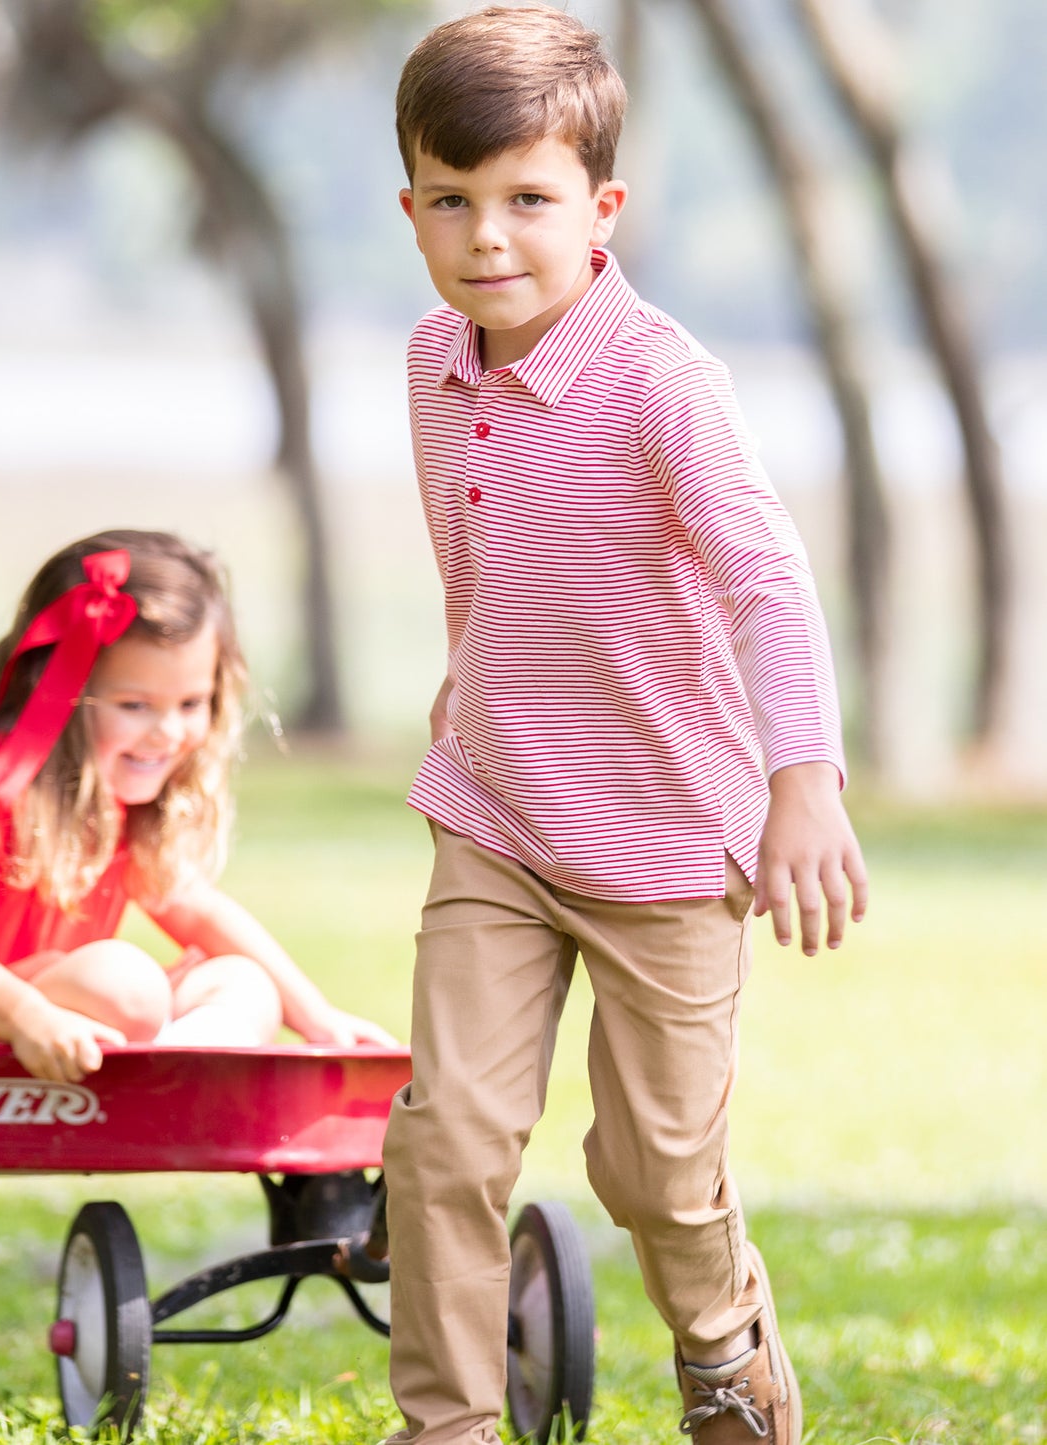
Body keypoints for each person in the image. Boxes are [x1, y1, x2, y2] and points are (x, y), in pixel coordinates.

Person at [380, 9, 868, 1445]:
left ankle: (726, 1352)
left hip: (665, 840)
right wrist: (474, 677)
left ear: (601, 208)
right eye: (453, 203)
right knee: (445, 1138)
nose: (488, 238)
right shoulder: (428, 358)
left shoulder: (662, 382)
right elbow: (485, 550)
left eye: (528, 200)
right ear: (409, 206)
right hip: (495, 811)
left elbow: (767, 580)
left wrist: (802, 777)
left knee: (654, 1169)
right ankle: (449, 1425)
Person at [0, 529, 392, 1081]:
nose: (168, 732)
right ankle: (161, 1085)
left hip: (66, 1023)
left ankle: (168, 1086)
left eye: (192, 702)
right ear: (59, 691)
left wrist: (320, 1021)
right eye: (135, 705)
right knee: (125, 981)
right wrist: (24, 1015)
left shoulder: (116, 806)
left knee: (245, 983)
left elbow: (199, 913)